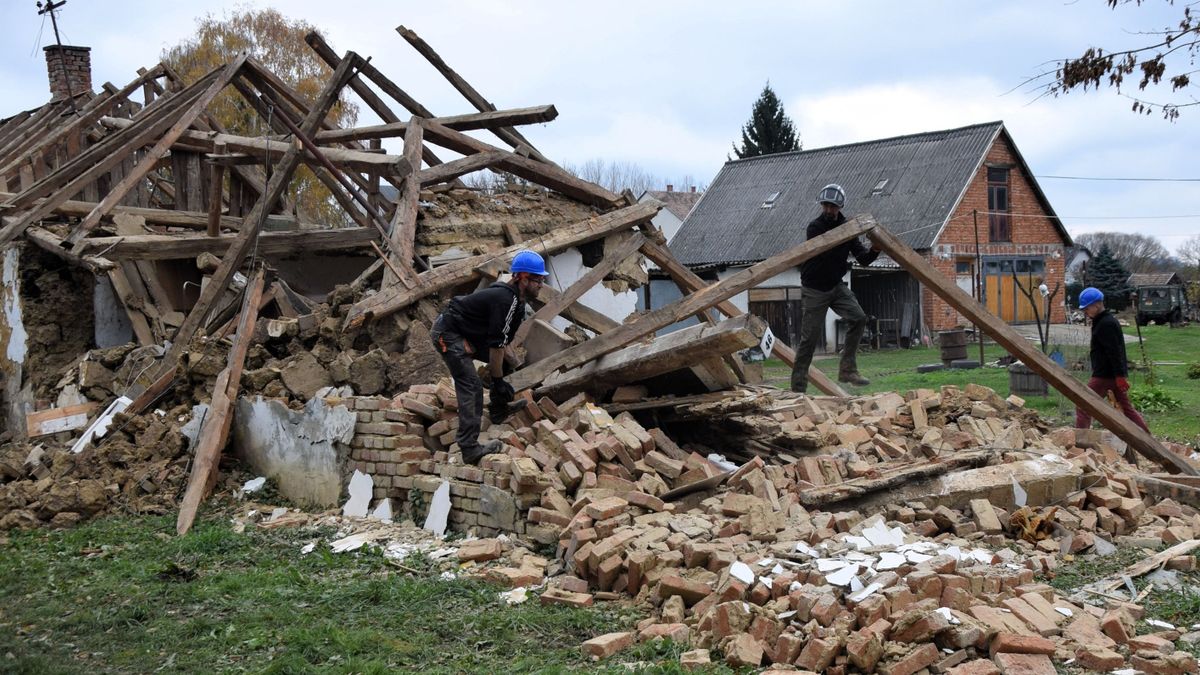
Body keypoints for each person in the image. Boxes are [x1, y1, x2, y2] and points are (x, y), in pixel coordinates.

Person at [430, 249, 549, 464]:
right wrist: (497, 380)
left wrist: (501, 377)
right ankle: (469, 448)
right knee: (471, 386)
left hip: (466, 332)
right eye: (538, 279)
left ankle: (498, 409)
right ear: (522, 277)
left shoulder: (517, 302)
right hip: (447, 334)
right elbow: (496, 346)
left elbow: (501, 345)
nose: (541, 284)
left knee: (506, 360)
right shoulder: (505, 300)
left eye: (542, 279)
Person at [790, 183, 880, 393]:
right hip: (814, 288)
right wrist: (849, 232)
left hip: (836, 286)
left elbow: (864, 259)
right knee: (809, 340)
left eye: (833, 207)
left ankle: (847, 370)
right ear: (822, 205)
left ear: (840, 207)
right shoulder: (815, 227)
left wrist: (875, 248)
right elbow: (826, 251)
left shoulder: (849, 229)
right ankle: (798, 389)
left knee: (859, 318)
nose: (829, 210)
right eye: (826, 206)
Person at [1075, 286, 1151, 433]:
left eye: (1087, 308)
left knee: (1083, 404)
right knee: (1127, 410)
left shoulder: (1106, 324)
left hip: (1105, 375)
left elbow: (1115, 352)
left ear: (1097, 304)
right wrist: (1120, 375)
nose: (1085, 311)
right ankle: (1149, 440)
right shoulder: (1104, 321)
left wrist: (1120, 376)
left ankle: (1081, 442)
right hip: (1112, 375)